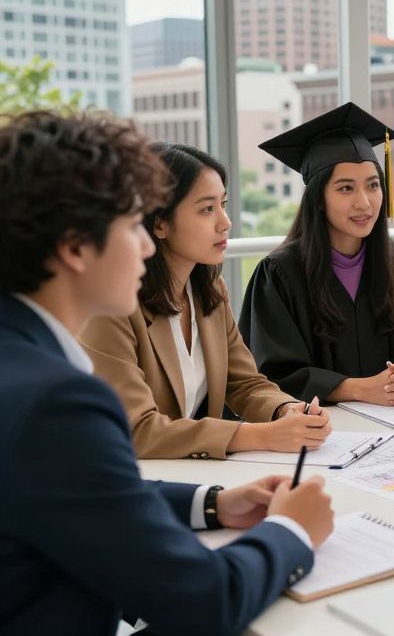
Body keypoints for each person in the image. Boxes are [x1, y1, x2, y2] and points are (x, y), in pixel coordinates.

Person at [0, 110, 334, 635]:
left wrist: (214, 503)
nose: (145, 245)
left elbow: (80, 487)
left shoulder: (22, 363)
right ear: (75, 247)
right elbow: (204, 601)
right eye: (132, 225)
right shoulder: (54, 403)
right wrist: (292, 531)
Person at [79, 144, 331, 460]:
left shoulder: (209, 291)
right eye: (207, 209)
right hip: (119, 474)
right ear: (159, 224)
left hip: (186, 471)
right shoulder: (110, 308)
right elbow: (136, 429)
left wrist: (287, 409)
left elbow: (244, 383)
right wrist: (261, 435)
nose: (225, 222)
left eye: (222, 204)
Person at [240, 102, 394, 405]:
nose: (364, 203)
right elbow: (271, 374)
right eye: (346, 188)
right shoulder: (279, 274)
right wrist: (359, 389)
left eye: (373, 185)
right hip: (319, 424)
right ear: (318, 198)